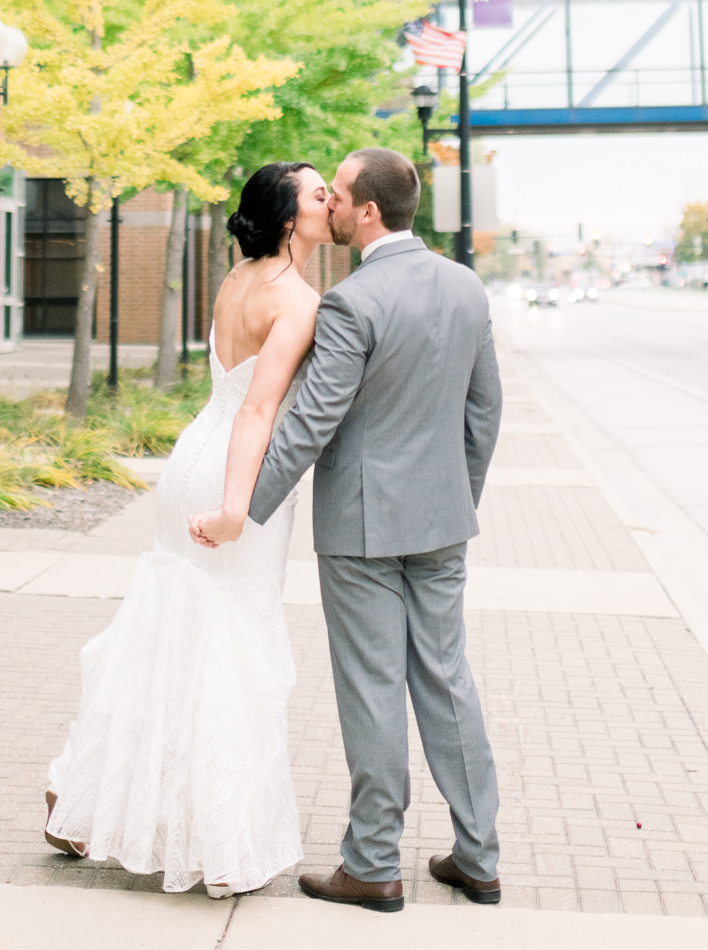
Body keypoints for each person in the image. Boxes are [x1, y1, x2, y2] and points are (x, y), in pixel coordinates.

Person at [196, 146, 503, 913]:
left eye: (335, 194)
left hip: (362, 531)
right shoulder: (467, 289)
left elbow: (309, 421)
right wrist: (454, 499)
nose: (327, 204)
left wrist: (245, 510)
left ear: (367, 213)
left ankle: (372, 864)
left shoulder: (353, 303)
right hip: (441, 524)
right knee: (447, 679)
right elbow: (484, 411)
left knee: (372, 689)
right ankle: (479, 857)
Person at [43, 160, 331, 896]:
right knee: (231, 649)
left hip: (188, 463)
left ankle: (84, 796)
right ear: (290, 217)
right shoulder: (297, 299)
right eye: (318, 194)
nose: (330, 201)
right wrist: (238, 507)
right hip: (232, 473)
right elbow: (259, 411)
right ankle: (220, 841)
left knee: (163, 632)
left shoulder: (238, 280)